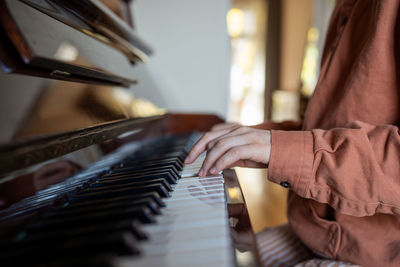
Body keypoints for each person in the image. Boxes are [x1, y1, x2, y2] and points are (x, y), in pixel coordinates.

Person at [185, 0, 400, 266]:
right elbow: (336, 123)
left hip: (378, 249)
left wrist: (281, 149)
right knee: (214, 254)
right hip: (321, 229)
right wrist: (259, 136)